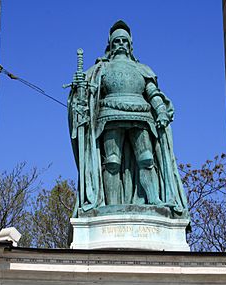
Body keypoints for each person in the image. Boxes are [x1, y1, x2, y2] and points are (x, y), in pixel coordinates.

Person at [68, 20, 188, 216]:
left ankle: (154, 199)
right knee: (112, 161)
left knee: (146, 158)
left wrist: (161, 111)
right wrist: (78, 88)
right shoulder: (101, 69)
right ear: (110, 45)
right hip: (109, 117)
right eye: (116, 41)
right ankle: (112, 205)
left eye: (124, 41)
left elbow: (152, 92)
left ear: (130, 45)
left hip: (141, 116)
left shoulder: (142, 69)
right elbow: (86, 92)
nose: (120, 44)